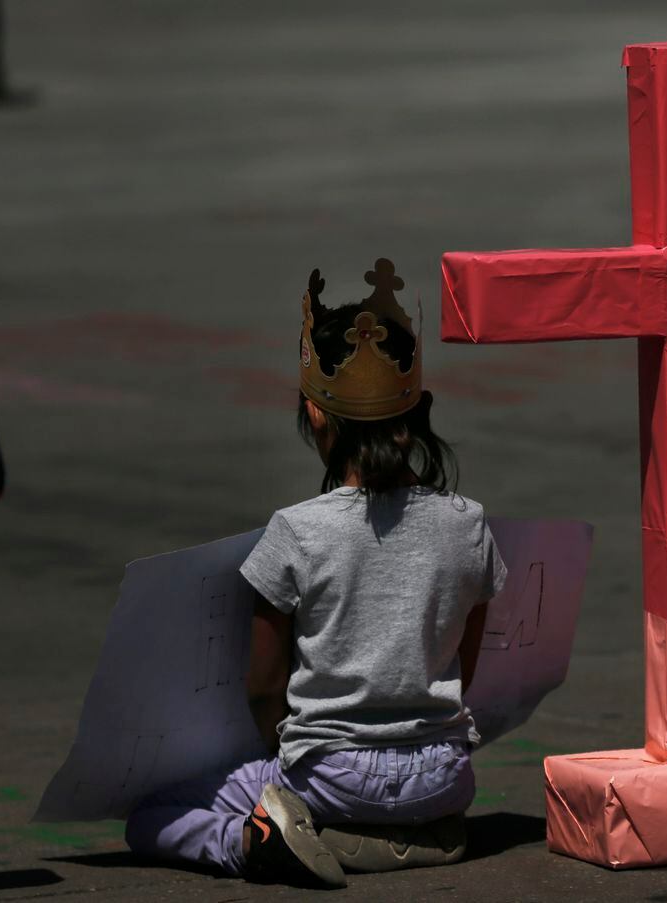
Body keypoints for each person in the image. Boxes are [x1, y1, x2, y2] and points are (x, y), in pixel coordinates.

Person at [125, 259, 505, 887]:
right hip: (445, 779)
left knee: (151, 817)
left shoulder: (297, 531)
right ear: (416, 413)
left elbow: (262, 686)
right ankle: (409, 832)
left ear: (317, 415)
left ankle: (257, 843)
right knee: (393, 783)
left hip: (333, 778)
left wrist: (283, 755)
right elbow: (466, 666)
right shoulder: (468, 523)